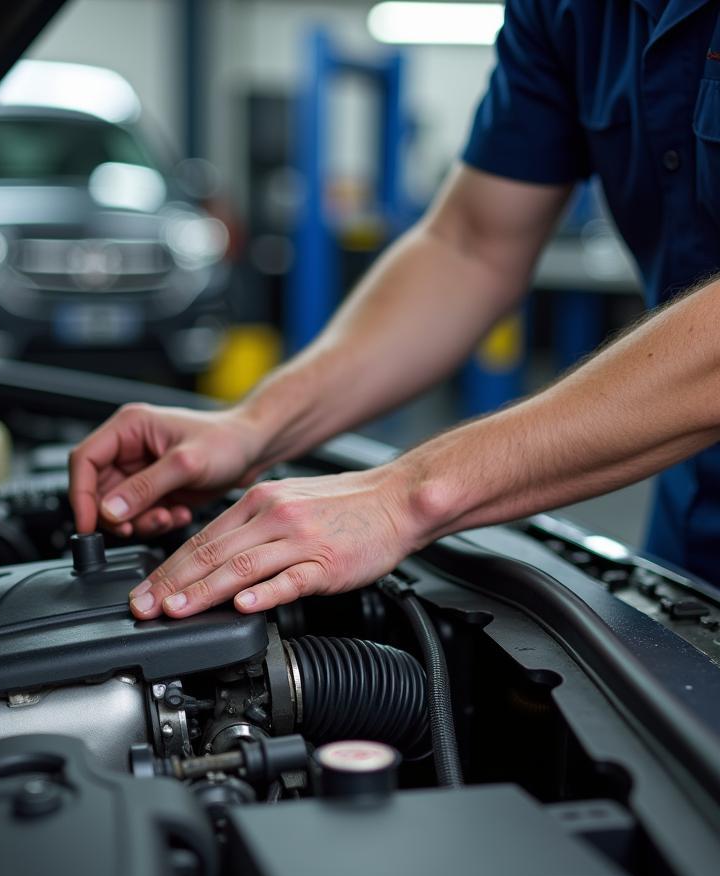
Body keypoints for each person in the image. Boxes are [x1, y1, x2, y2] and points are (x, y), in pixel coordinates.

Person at [69, 0, 720, 621]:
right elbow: (470, 244)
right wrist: (253, 427)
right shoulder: (566, 11)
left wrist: (409, 494)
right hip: (689, 522)